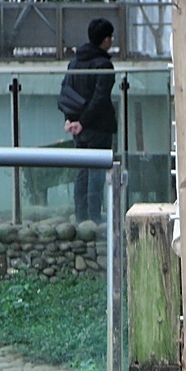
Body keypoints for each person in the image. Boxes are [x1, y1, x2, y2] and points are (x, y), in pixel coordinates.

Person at [62, 17, 117, 223]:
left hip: (79, 129)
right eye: (110, 37)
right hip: (98, 127)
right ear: (104, 40)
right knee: (96, 174)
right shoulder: (104, 65)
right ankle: (94, 217)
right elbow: (99, 99)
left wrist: (72, 120)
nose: (111, 41)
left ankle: (81, 216)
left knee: (82, 172)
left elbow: (66, 91)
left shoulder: (75, 62)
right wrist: (83, 121)